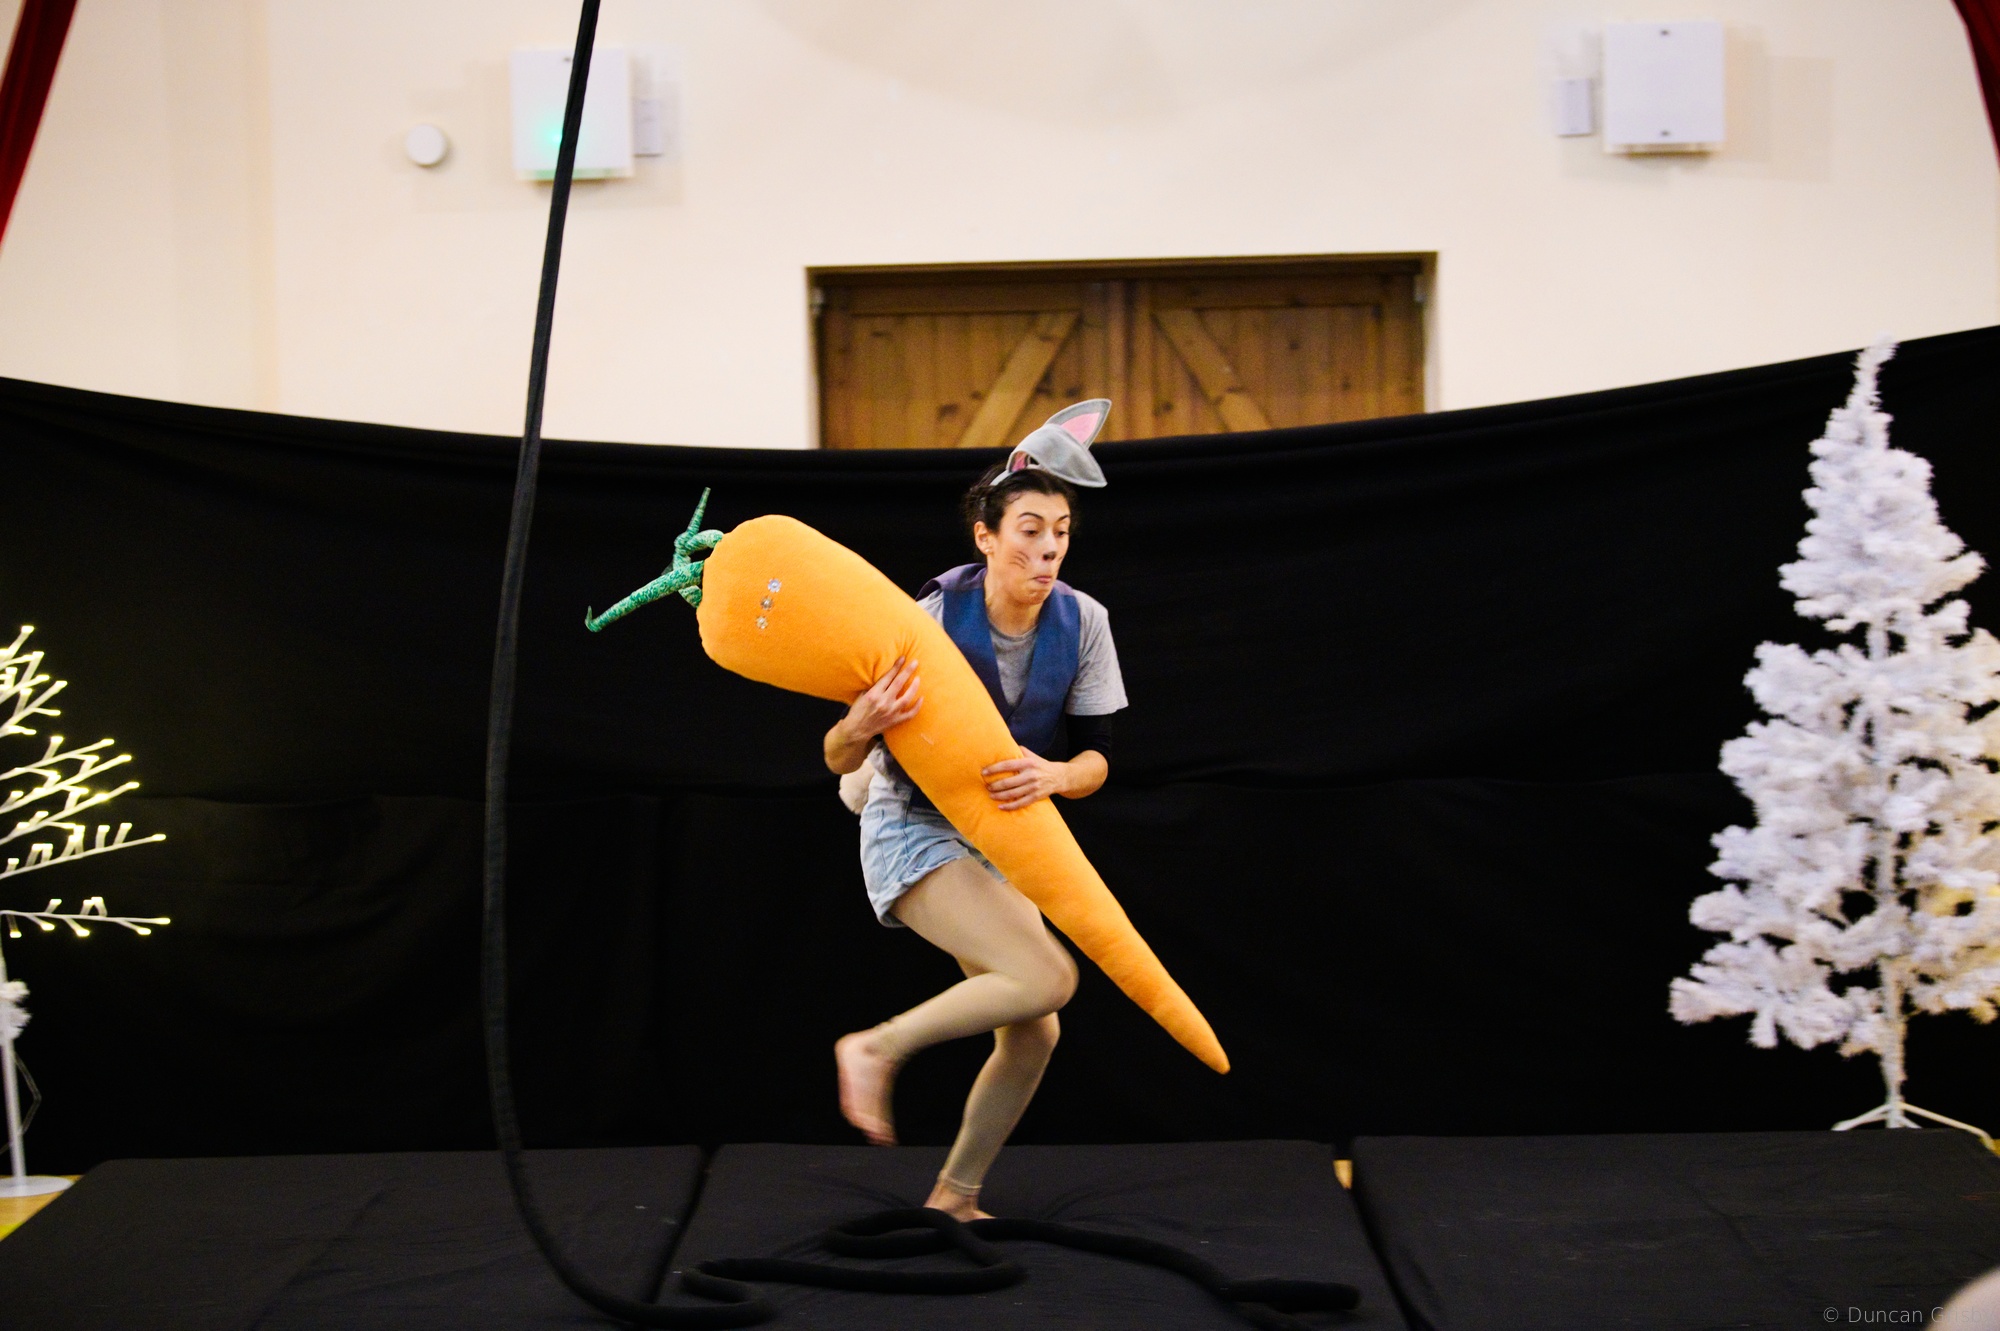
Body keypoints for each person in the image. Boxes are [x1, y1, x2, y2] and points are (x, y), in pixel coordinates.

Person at [822, 400, 1126, 1222]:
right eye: (1029, 530)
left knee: (1035, 1026)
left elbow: (1097, 758)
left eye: (1060, 531)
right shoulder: (926, 618)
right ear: (986, 537)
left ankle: (955, 1196)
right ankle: (876, 1046)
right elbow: (839, 756)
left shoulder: (1086, 622)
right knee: (1049, 977)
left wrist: (1057, 774)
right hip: (912, 823)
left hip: (1003, 836)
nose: (1048, 547)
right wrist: (861, 722)